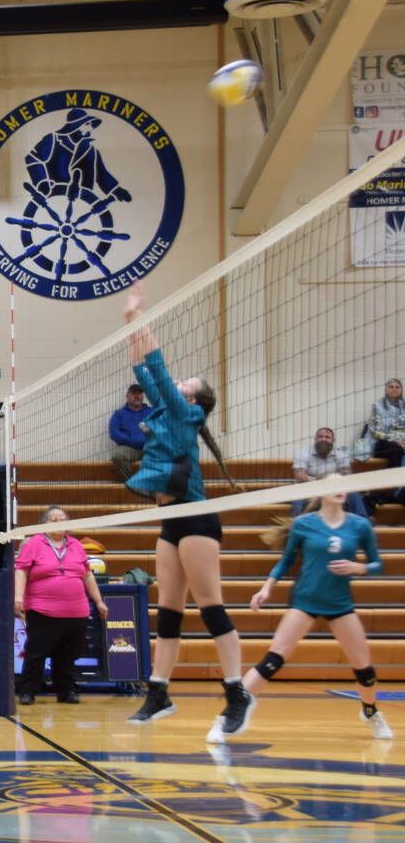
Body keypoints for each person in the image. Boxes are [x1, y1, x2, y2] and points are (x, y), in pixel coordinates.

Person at [120, 283, 244, 728]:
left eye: (186, 383)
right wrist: (130, 327)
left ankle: (236, 693)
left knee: (211, 607)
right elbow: (145, 368)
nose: (177, 383)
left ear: (193, 399)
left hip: (197, 519)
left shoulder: (187, 414)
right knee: (168, 612)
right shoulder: (166, 410)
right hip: (172, 522)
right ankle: (159, 694)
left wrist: (139, 315)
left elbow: (155, 365)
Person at [228, 477, 389, 742]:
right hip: (305, 601)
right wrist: (266, 588)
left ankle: (370, 711)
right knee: (273, 658)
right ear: (321, 492)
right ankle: (232, 711)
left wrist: (358, 567)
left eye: (343, 485)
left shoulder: (359, 525)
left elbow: (377, 564)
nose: (339, 489)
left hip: (340, 603)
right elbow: (286, 561)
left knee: (365, 669)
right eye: (333, 485)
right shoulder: (304, 524)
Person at [13, 506, 110, 705]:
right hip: (43, 609)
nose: (57, 521)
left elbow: (87, 575)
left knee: (67, 654)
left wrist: (99, 601)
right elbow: (21, 571)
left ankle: (65, 691)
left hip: (76, 611)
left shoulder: (76, 545)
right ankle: (28, 691)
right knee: (36, 652)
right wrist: (18, 597)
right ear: (44, 524)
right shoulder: (33, 543)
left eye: (62, 518)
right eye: (52, 518)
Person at [293, 427, 368, 517]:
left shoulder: (341, 455)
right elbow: (300, 477)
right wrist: (325, 482)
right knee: (297, 493)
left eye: (327, 437)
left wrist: (327, 484)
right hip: (309, 489)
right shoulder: (303, 453)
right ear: (315, 439)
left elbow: (346, 477)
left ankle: (363, 520)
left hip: (333, 489)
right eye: (320, 437)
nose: (323, 439)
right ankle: (295, 523)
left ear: (333, 440)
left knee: (353, 492)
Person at [367, 377, 405, 513]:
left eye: (397, 386)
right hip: (384, 443)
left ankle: (400, 492)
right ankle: (390, 489)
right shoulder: (377, 406)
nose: (394, 389)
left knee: (399, 450)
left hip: (402, 443)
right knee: (396, 450)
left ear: (401, 390)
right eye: (391, 386)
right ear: (386, 390)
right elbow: (375, 431)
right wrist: (396, 441)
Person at [108, 384, 148, 483]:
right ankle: (132, 486)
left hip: (149, 447)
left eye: (139, 393)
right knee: (118, 456)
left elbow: (160, 430)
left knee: (167, 454)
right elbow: (114, 433)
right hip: (129, 448)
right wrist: (131, 440)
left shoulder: (151, 412)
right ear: (127, 397)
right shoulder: (119, 414)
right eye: (134, 393)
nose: (137, 396)